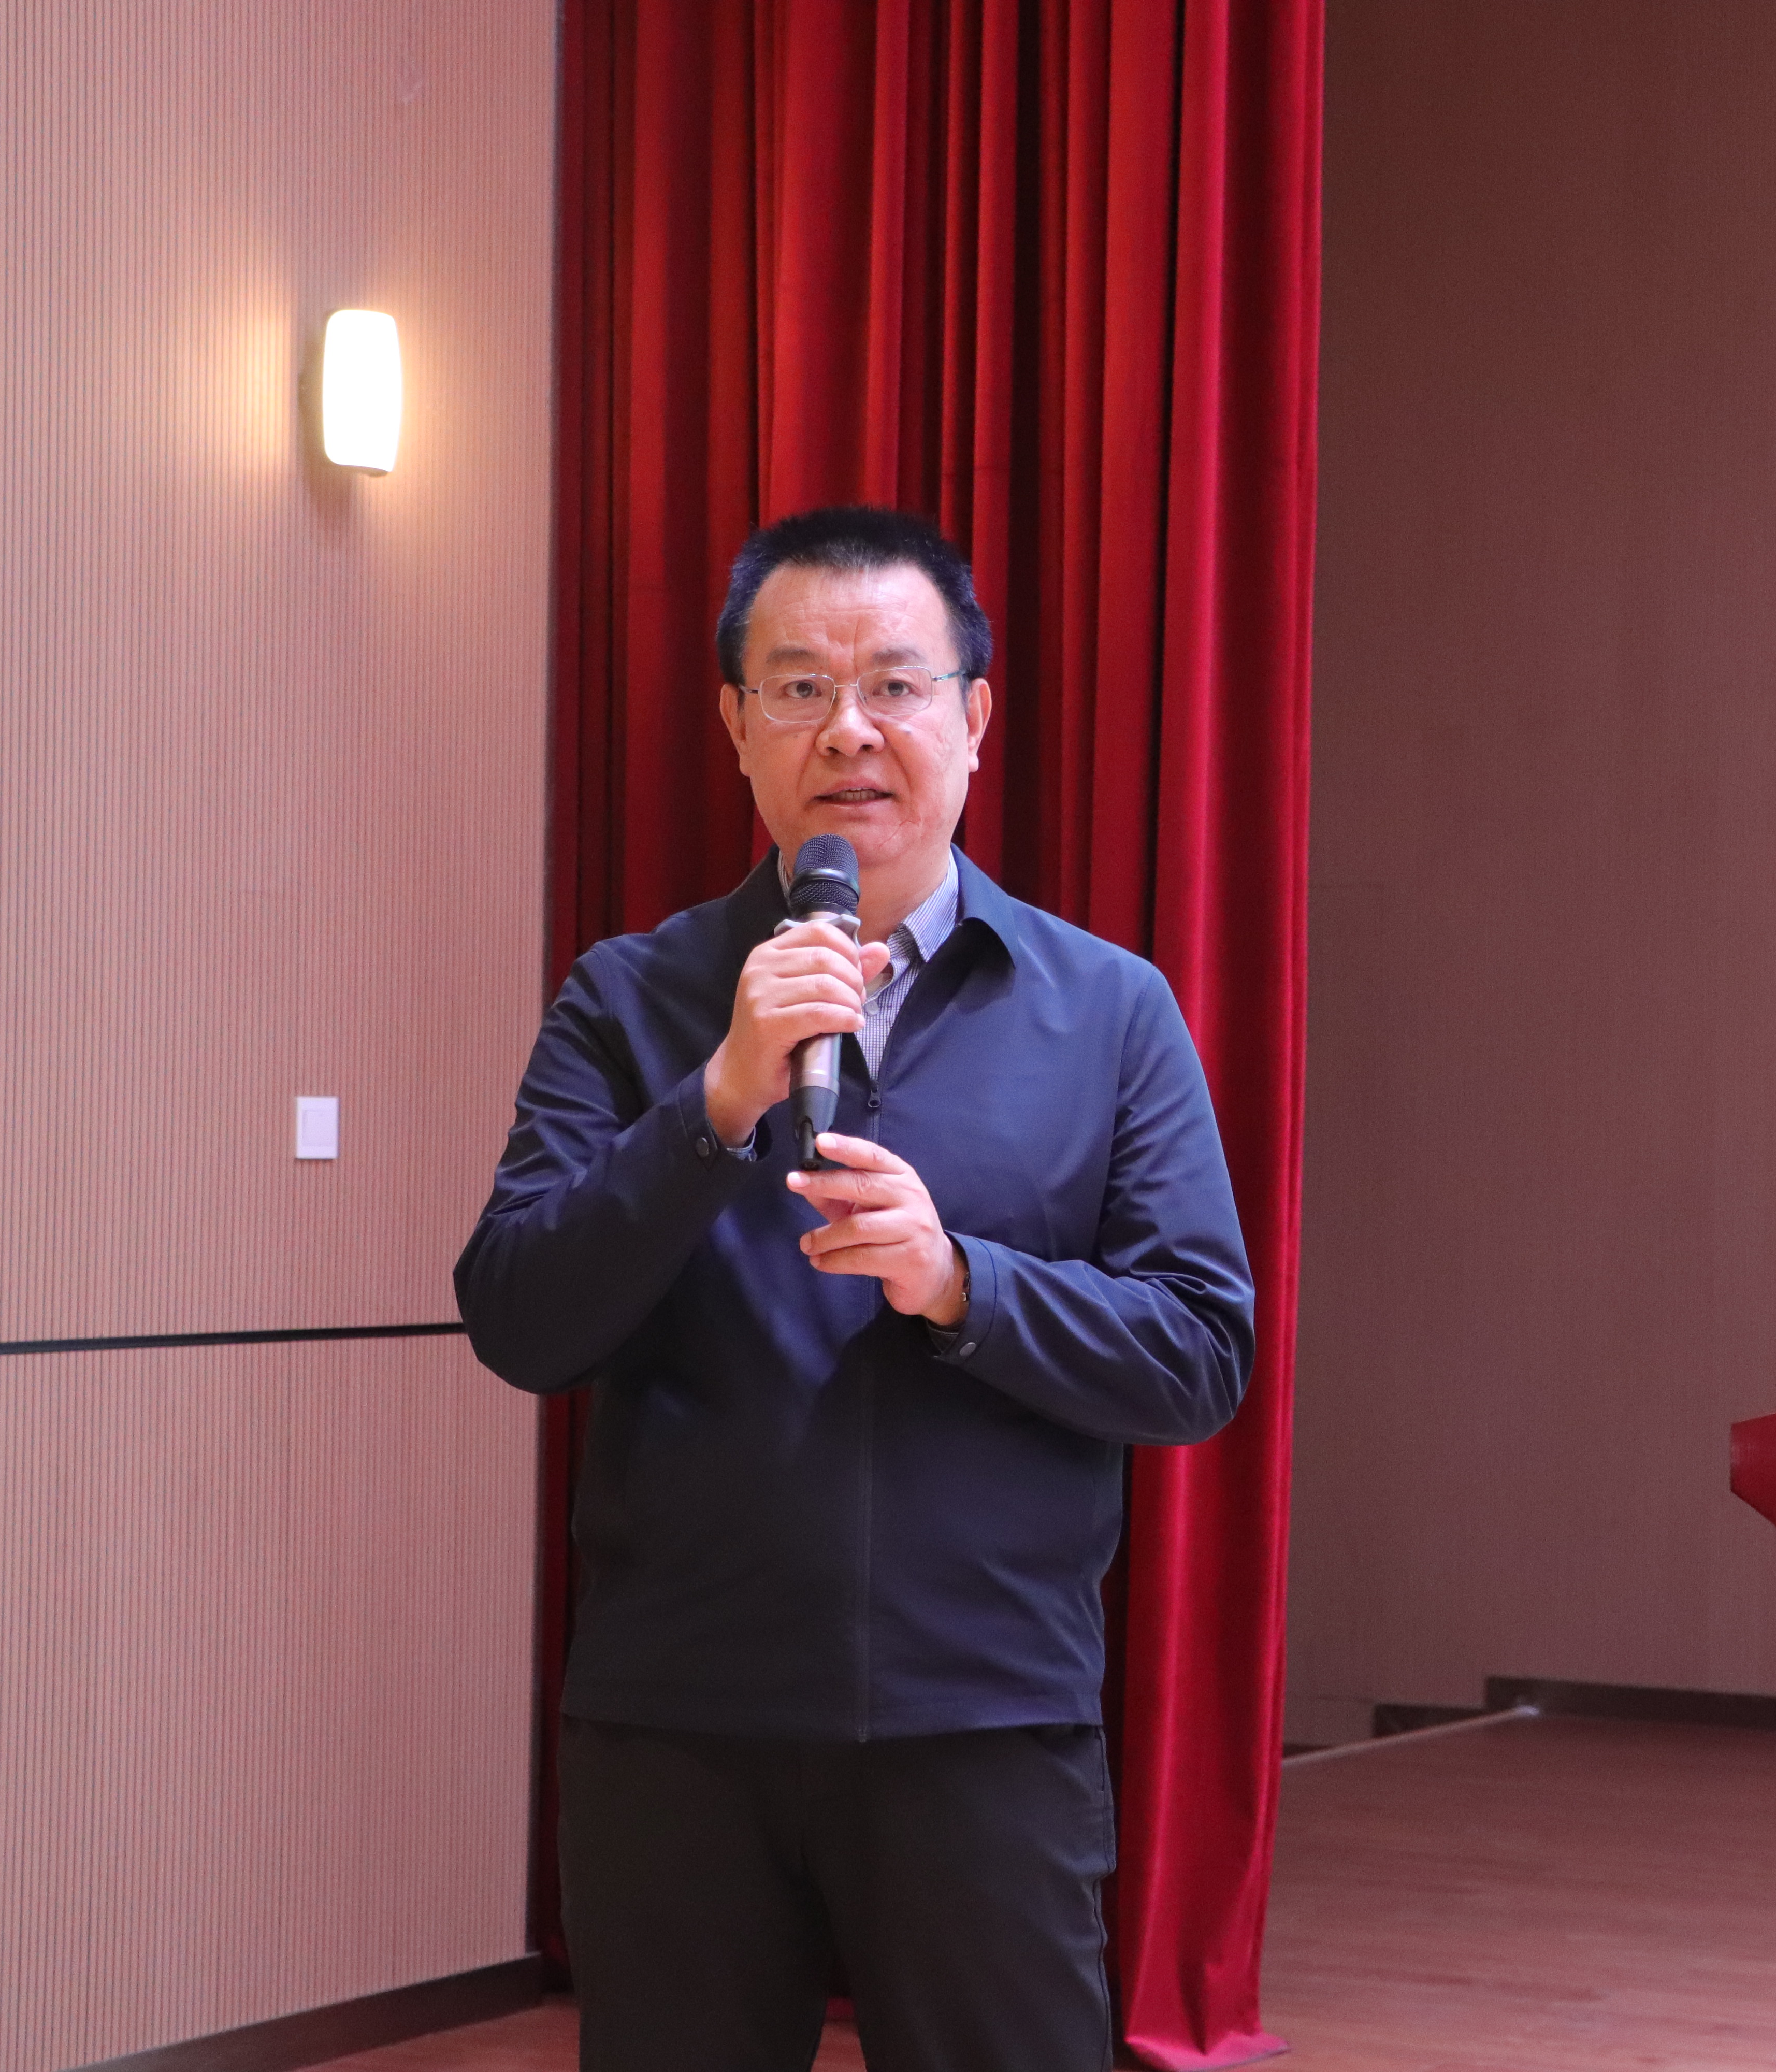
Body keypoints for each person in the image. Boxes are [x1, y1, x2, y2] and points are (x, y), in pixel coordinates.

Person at [455, 506, 1254, 2072]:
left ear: (975, 715)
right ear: (737, 728)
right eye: (801, 689)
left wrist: (961, 1282)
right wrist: (714, 1106)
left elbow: (1198, 1354)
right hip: (681, 1716)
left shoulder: (1109, 1010)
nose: (851, 731)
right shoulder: (630, 998)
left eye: (895, 683)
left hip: (985, 1717)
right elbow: (520, 1317)